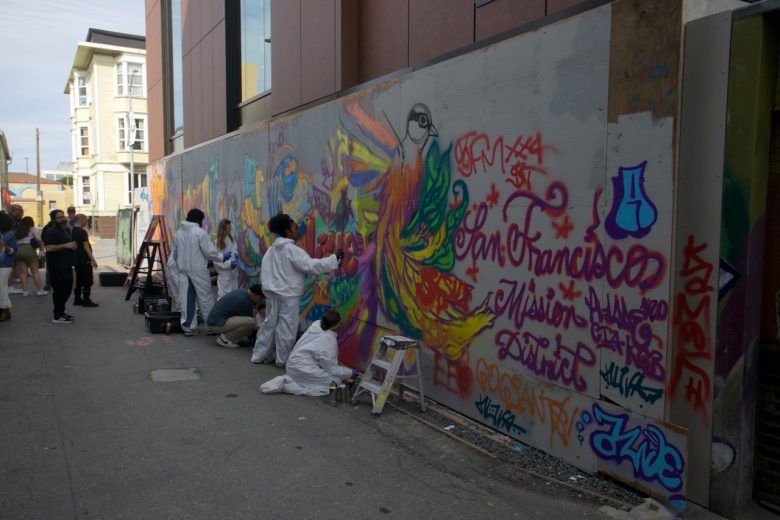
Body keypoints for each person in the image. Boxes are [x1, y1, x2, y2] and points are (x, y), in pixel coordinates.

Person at [250, 213, 343, 366]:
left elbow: (264, 273)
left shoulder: (270, 251)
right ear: (287, 231)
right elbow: (310, 265)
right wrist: (334, 259)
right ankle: (282, 360)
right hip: (288, 294)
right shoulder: (292, 250)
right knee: (287, 327)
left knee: (269, 325)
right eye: (294, 227)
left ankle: (259, 356)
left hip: (272, 294)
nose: (297, 229)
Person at [260, 311, 357, 396]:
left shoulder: (316, 326)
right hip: (302, 369)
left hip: (292, 366)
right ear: (338, 324)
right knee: (335, 382)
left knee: (334, 377)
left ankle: (293, 381)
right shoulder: (328, 339)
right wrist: (350, 373)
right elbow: (331, 368)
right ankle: (288, 387)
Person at [171, 208, 231, 336]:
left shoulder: (178, 233)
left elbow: (174, 254)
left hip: (183, 271)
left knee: (187, 299)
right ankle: (211, 326)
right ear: (199, 220)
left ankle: (188, 327)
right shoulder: (200, 232)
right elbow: (209, 252)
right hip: (198, 270)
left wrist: (179, 265)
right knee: (205, 298)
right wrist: (222, 257)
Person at [42, 209, 77, 324]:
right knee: (60, 290)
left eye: (63, 216)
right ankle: (57, 315)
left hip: (65, 265)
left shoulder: (64, 230)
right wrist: (66, 245)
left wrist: (72, 246)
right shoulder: (51, 231)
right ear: (53, 219)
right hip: (56, 266)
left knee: (67, 288)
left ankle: (61, 312)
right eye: (59, 217)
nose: (63, 219)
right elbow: (48, 248)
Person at [206, 284, 265, 348]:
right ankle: (226, 339)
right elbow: (254, 326)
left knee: (250, 322)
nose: (261, 300)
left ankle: (228, 336)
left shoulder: (242, 292)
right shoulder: (244, 301)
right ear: (254, 295)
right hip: (216, 324)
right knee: (251, 322)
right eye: (261, 298)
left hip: (216, 321)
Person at [14, 216, 46, 296]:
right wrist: (42, 247)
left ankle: (25, 291)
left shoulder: (18, 230)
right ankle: (39, 290)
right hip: (29, 249)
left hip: (19, 250)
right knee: (35, 271)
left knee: (23, 272)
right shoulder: (32, 228)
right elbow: (38, 239)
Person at [72, 214, 98, 307]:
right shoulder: (82, 232)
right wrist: (93, 259)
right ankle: (87, 300)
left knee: (78, 280)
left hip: (76, 260)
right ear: (81, 220)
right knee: (87, 280)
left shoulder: (72, 231)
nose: (86, 222)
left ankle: (77, 299)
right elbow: (86, 247)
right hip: (84, 260)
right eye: (86, 220)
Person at [213, 218, 238, 300]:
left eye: (230, 227)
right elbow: (216, 259)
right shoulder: (217, 242)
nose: (230, 229)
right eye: (228, 228)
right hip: (224, 273)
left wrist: (236, 257)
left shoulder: (230, 238)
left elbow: (234, 250)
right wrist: (228, 264)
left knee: (233, 294)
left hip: (233, 272)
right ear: (223, 229)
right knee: (223, 296)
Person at [0, 211, 18, 321]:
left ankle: (5, 310)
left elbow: (13, 250)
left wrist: (4, 246)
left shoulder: (9, 234)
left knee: (2, 287)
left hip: (5, 264)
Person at [7, 204, 24, 295]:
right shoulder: (12, 219)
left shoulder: (13, 218)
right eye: (20, 211)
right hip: (10, 242)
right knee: (11, 266)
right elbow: (13, 230)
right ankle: (10, 286)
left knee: (12, 265)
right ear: (16, 210)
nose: (21, 213)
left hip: (11, 242)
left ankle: (10, 285)